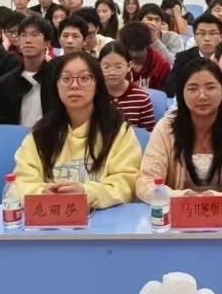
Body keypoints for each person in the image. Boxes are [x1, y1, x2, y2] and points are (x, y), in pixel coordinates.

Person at [12, 52, 142, 208]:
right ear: (56, 86)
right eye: (66, 79)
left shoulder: (117, 131)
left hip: (105, 219)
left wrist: (86, 193)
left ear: (97, 85)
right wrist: (42, 193)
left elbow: (126, 184)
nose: (74, 85)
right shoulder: (40, 134)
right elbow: (19, 184)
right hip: (53, 217)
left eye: (84, 78)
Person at [137, 59, 222, 208]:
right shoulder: (166, 128)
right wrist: (185, 199)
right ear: (181, 94)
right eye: (193, 89)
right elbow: (146, 183)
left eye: (211, 87)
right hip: (179, 214)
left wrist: (215, 201)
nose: (202, 96)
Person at [0, 16, 54, 127]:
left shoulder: (57, 78)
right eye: (23, 35)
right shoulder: (5, 83)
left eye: (35, 35)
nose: (28, 40)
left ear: (47, 43)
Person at [166, 12, 222, 97]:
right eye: (202, 33)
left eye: (212, 33)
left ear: (220, 37)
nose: (207, 38)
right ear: (194, 37)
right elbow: (171, 89)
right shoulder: (183, 59)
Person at [100, 42, 156, 131]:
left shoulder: (142, 98)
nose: (112, 72)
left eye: (118, 67)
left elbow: (147, 134)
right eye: (106, 67)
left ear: (129, 66)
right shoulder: (93, 94)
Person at [119, 21, 170, 90]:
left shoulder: (161, 65)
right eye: (130, 49)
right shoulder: (116, 60)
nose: (134, 53)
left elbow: (163, 94)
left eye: (138, 49)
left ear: (147, 45)